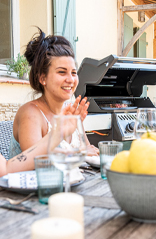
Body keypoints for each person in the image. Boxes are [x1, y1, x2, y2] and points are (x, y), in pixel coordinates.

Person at [9, 28, 99, 159]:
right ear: (42, 78)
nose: (70, 80)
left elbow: (89, 152)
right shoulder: (30, 114)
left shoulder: (70, 112)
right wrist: (79, 153)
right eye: (62, 72)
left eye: (74, 73)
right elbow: (36, 161)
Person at [0, 97, 89, 177]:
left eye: (74, 76)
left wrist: (57, 134)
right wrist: (57, 135)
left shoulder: (69, 112)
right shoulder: (30, 111)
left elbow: (6, 169)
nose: (70, 80)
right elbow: (37, 163)